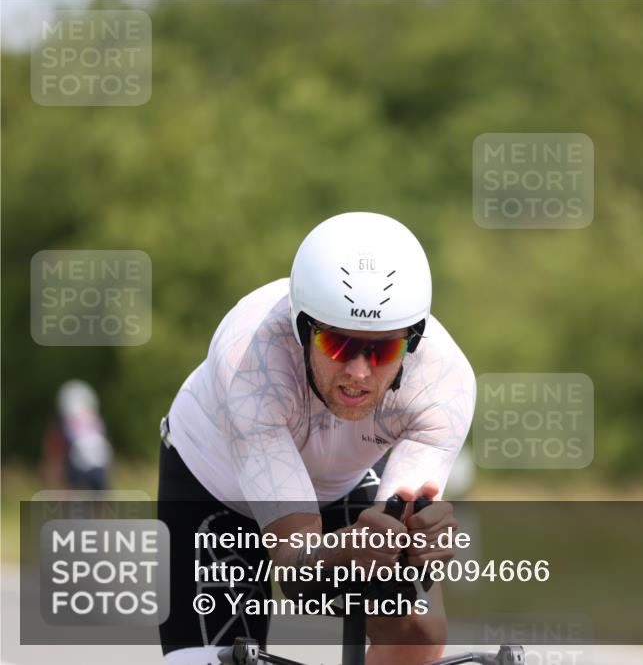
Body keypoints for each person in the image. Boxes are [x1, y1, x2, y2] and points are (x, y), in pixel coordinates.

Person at [158, 212, 476, 665]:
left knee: (418, 632)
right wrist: (344, 551)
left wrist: (417, 549)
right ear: (301, 329)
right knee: (212, 659)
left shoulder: (444, 383)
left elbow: (397, 556)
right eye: (338, 345)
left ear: (413, 340)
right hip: (215, 484)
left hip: (339, 481)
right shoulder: (251, 360)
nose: (359, 372)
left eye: (383, 348)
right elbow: (297, 568)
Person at [42, 380, 113, 491]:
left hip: (77, 466)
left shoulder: (66, 424)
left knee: (71, 490)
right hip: (100, 467)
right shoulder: (97, 421)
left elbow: (58, 450)